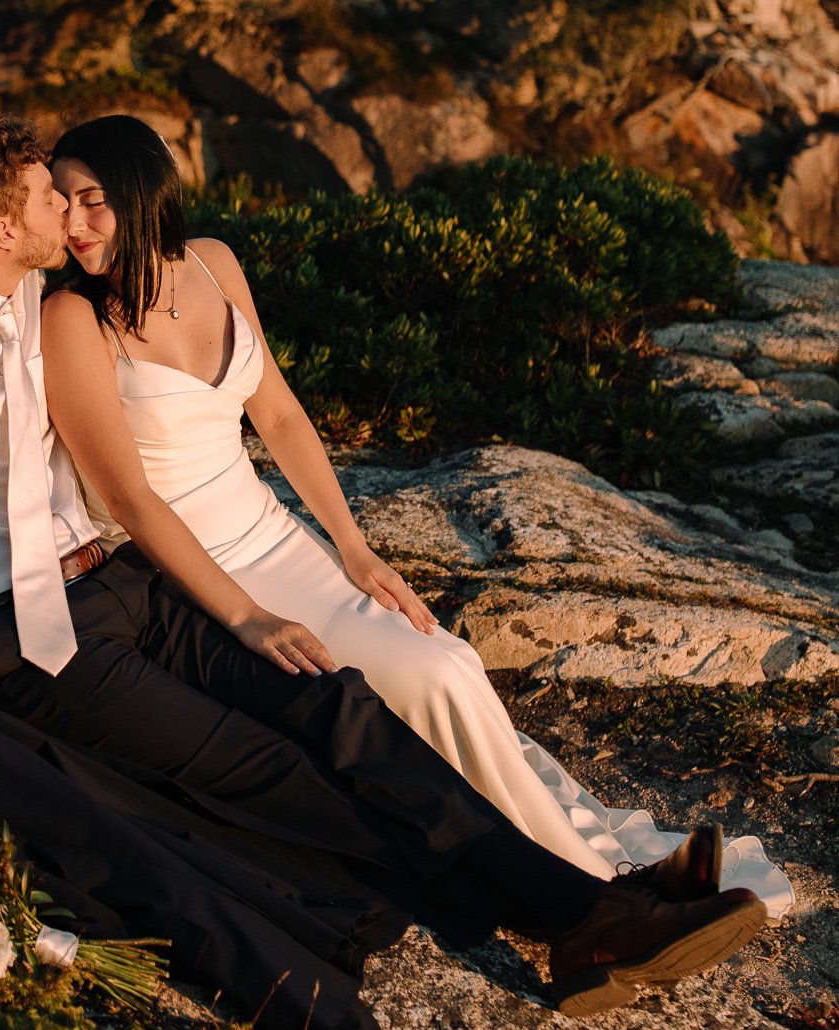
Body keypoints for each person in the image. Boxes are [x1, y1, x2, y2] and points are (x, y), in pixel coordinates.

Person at [0, 117, 768, 1030]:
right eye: (52, 198)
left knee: (339, 707)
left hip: (121, 583)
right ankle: (572, 921)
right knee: (274, 772)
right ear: (6, 227)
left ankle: (592, 904)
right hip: (15, 637)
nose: (74, 208)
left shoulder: (30, 296)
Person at [43, 115, 793, 909]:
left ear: (141, 191)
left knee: (449, 662)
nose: (75, 223)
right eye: (59, 202)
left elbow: (283, 416)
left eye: (93, 199)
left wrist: (354, 548)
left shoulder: (214, 262)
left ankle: (589, 861)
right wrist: (246, 618)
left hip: (273, 533)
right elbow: (127, 496)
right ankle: (602, 890)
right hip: (194, 570)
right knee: (425, 678)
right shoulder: (75, 318)